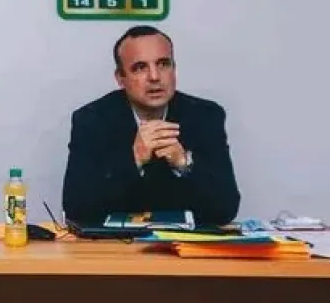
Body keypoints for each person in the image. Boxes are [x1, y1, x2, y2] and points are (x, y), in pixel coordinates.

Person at [62, 25, 240, 227]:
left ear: (174, 69)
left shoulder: (205, 116)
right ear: (120, 78)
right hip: (117, 244)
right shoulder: (92, 120)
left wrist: (184, 164)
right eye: (140, 67)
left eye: (163, 64)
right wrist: (134, 159)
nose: (154, 77)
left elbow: (226, 209)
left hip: (185, 243)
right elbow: (76, 209)